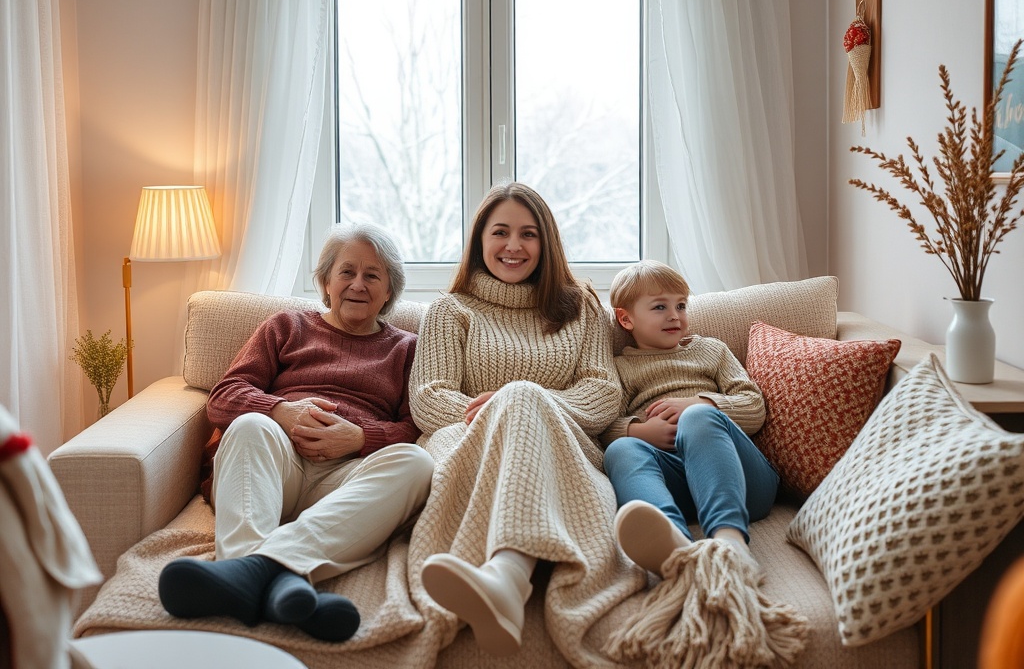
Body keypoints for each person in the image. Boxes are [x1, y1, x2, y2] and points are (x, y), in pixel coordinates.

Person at [158, 223, 434, 643]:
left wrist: (359, 438)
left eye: (372, 275)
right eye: (346, 272)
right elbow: (224, 397)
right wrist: (282, 411)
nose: (358, 285)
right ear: (325, 282)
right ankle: (282, 578)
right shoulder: (287, 326)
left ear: (388, 290)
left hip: (345, 482)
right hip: (274, 468)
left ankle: (254, 576)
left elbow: (414, 425)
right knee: (251, 424)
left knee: (416, 463)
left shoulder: (407, 349)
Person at [408, 182, 638, 662]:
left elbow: (603, 394)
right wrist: (502, 412)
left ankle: (505, 578)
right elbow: (429, 400)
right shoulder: (449, 310)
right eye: (501, 232)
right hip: (465, 440)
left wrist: (527, 401)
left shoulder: (582, 307)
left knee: (522, 396)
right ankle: (507, 578)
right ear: (479, 241)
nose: (514, 246)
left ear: (546, 243)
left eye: (528, 234)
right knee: (517, 399)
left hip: (563, 443)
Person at [600, 259, 778, 578]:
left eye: (681, 305)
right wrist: (640, 431)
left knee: (698, 417)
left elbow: (754, 406)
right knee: (620, 450)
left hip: (742, 482)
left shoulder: (711, 350)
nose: (674, 315)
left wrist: (700, 403)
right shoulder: (620, 369)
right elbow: (603, 427)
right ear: (626, 319)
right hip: (678, 486)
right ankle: (673, 545)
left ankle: (729, 542)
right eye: (659, 307)